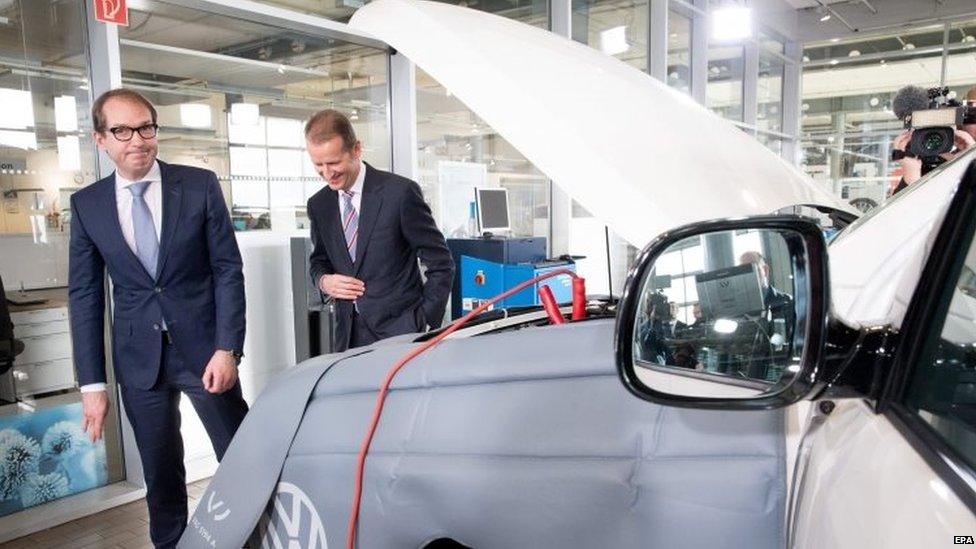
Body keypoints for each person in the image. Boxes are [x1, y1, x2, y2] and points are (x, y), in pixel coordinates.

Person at [69, 89, 248, 548]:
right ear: (100, 139)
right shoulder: (87, 205)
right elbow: (86, 296)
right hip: (139, 362)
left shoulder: (198, 184)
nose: (138, 140)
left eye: (146, 127)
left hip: (206, 353)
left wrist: (227, 348)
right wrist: (93, 385)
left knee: (245, 456)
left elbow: (228, 269)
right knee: (161, 474)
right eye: (122, 130)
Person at [305, 110, 454, 351]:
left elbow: (441, 263)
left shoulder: (399, 193)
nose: (327, 173)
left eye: (333, 163)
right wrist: (324, 281)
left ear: (356, 149)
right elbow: (318, 261)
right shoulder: (319, 204)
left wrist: (425, 322)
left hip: (402, 335)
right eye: (318, 165)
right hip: (348, 338)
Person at [891, 85, 976, 194]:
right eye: (973, 114)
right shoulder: (932, 162)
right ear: (960, 120)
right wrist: (912, 174)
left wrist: (971, 161)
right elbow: (905, 210)